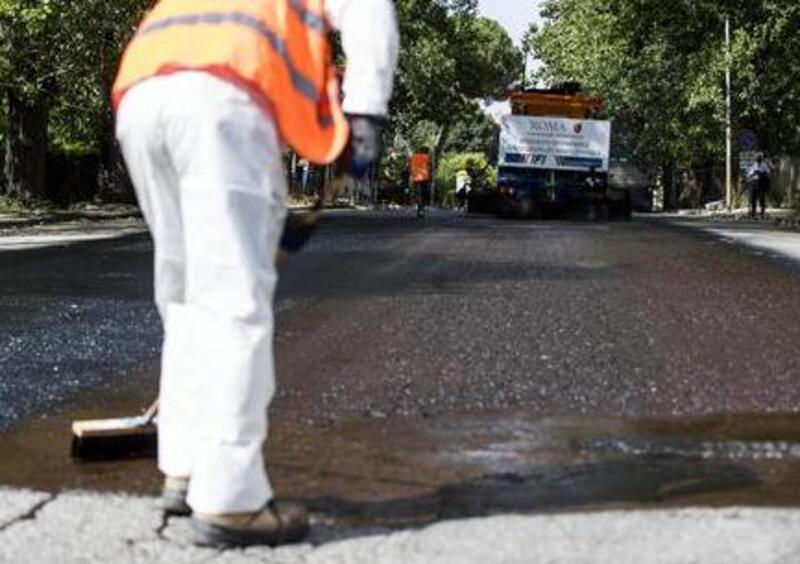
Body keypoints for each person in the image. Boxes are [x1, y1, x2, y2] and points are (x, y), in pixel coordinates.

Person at [112, 0, 398, 548]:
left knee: (186, 295)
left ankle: (187, 468)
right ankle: (232, 501)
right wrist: (365, 114)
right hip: (223, 100)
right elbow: (369, 12)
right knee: (232, 304)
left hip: (145, 89)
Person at [409, 147, 432, 217]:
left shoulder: (413, 157)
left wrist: (411, 175)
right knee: (424, 194)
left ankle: (420, 208)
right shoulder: (427, 157)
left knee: (418, 194)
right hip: (424, 177)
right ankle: (422, 208)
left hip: (415, 177)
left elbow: (409, 167)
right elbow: (430, 167)